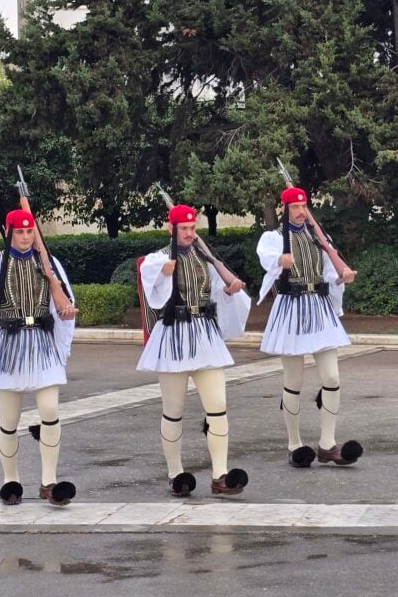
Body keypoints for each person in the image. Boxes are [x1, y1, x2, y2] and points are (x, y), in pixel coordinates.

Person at [0, 208, 78, 506]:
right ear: (9, 232)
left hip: (41, 341)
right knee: (9, 419)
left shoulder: (47, 264)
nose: (25, 237)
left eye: (29, 232)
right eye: (20, 232)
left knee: (50, 410)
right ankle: (11, 480)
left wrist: (65, 311)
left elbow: (63, 298)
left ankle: (49, 481)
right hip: (9, 343)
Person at [137, 204, 251, 497]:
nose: (190, 233)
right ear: (171, 228)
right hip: (173, 336)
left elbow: (213, 290)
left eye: (192, 228)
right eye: (184, 228)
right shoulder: (159, 258)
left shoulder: (204, 259)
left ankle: (220, 474)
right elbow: (151, 283)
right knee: (173, 411)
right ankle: (176, 474)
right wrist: (164, 271)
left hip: (204, 335)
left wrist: (228, 291)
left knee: (218, 408)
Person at [257, 186, 363, 469]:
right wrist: (280, 260)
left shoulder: (318, 237)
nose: (301, 212)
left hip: (318, 308)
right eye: (295, 207)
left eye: (304, 207)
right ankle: (294, 444)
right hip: (291, 310)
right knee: (293, 381)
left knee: (331, 376)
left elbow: (329, 273)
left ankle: (328, 444)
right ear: (285, 209)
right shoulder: (275, 238)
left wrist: (342, 278)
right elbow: (265, 259)